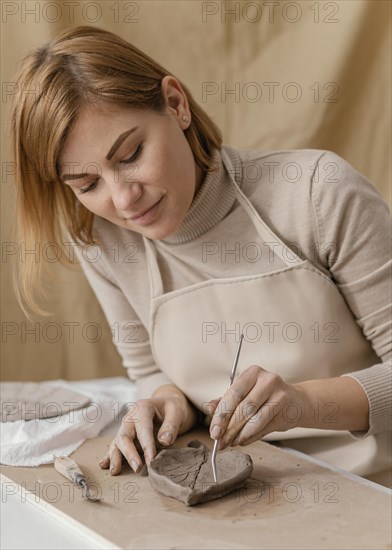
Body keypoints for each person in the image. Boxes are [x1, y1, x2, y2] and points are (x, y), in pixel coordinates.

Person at [9, 25, 391, 484]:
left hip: (372, 482)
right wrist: (166, 401)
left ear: (176, 104)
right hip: (245, 492)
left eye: (130, 154)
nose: (124, 200)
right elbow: (148, 370)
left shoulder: (316, 193)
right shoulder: (103, 239)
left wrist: (303, 405)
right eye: (87, 185)